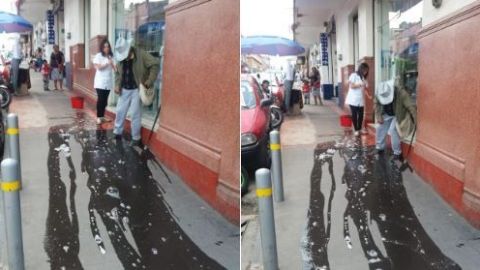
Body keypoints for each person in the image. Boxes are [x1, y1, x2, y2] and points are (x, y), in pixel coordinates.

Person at [113, 38, 160, 147]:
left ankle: (136, 137)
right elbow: (117, 73)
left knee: (135, 114)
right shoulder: (120, 59)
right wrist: (117, 85)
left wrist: (149, 81)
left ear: (129, 49)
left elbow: (155, 64)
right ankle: (117, 132)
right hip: (124, 89)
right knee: (120, 111)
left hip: (136, 89)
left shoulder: (141, 54)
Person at [374, 81, 416, 160]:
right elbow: (376, 103)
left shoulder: (401, 93)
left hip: (398, 114)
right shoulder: (380, 92)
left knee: (394, 130)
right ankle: (380, 148)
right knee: (379, 127)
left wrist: (416, 121)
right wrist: (378, 115)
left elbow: (411, 107)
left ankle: (397, 152)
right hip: (386, 113)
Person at [93, 39, 116, 125]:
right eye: (105, 47)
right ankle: (99, 117)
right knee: (101, 99)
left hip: (108, 82)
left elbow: (115, 68)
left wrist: (114, 65)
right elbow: (97, 67)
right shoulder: (99, 56)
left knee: (105, 101)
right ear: (102, 48)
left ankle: (102, 117)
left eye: (108, 46)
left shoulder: (111, 56)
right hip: (100, 82)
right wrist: (107, 63)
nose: (106, 48)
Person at [345, 63, 371, 136]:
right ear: (361, 69)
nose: (365, 72)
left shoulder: (363, 78)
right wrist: (360, 84)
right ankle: (356, 129)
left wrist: (368, 95)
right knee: (354, 114)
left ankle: (359, 129)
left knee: (361, 115)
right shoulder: (354, 75)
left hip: (360, 99)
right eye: (364, 70)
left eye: (367, 71)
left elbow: (365, 88)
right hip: (353, 99)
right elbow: (351, 86)